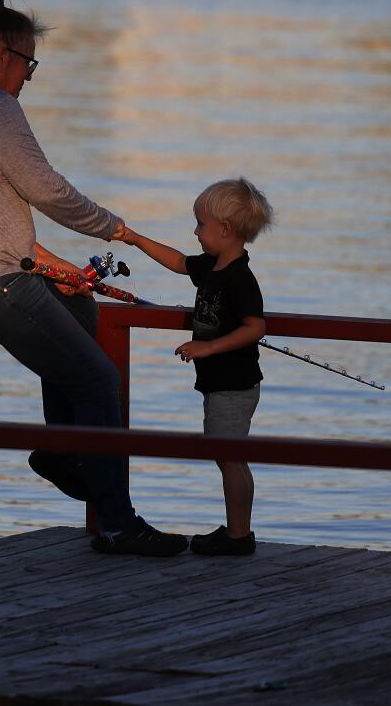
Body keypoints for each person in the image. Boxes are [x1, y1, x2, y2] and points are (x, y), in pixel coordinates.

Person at [0, 0, 188, 557]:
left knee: (76, 302)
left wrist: (54, 266)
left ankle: (64, 451)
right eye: (28, 64)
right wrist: (120, 230)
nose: (28, 78)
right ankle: (117, 524)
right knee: (100, 381)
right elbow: (48, 191)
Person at [116, 178, 273, 557]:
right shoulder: (212, 267)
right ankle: (238, 531)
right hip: (220, 383)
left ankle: (238, 536)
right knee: (229, 457)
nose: (196, 231)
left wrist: (208, 347)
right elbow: (176, 261)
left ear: (226, 230)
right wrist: (134, 238)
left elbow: (256, 327)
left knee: (229, 458)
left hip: (233, 384)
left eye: (201, 225)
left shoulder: (239, 278)